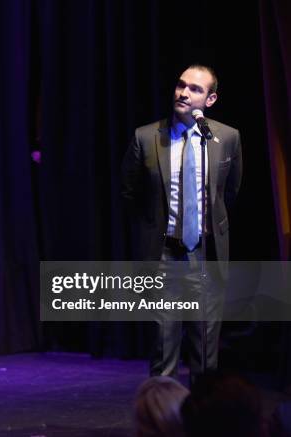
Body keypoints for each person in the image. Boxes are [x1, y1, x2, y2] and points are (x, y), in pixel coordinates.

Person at [121, 65, 242, 382]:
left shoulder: (226, 138)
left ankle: (202, 420)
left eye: (195, 89)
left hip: (205, 254)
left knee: (204, 351)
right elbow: (129, 193)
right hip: (164, 256)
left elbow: (228, 193)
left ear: (211, 98)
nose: (183, 93)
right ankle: (163, 425)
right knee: (163, 348)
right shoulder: (146, 137)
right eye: (180, 85)